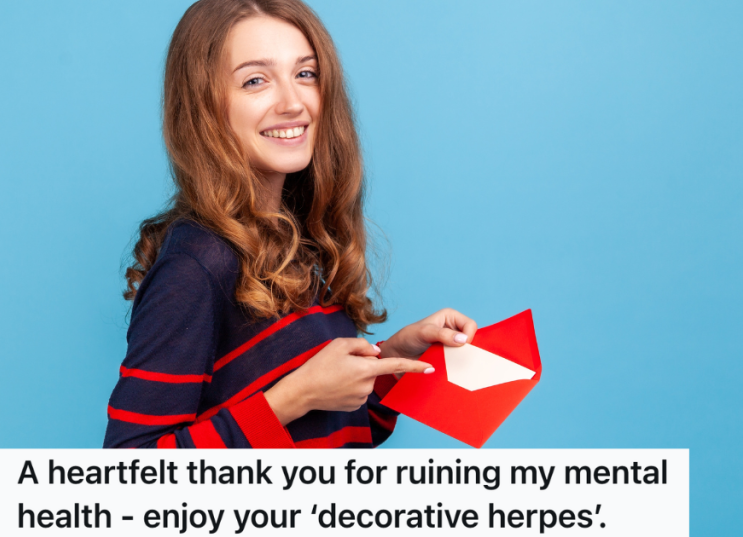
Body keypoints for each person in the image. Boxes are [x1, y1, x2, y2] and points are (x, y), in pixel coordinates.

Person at [104, 0, 477, 449]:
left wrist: (394, 358)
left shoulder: (298, 242)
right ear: (203, 106)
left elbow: (338, 434)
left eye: (305, 73)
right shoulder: (197, 265)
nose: (293, 102)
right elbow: (125, 477)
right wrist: (291, 398)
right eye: (255, 80)